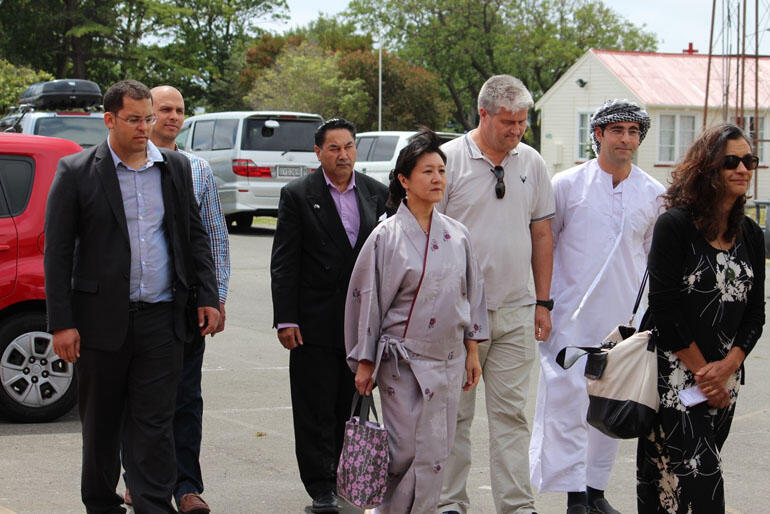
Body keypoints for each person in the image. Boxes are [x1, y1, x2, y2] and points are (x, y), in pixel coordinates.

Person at [44, 79, 220, 514]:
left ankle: (151, 504)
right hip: (99, 322)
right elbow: (58, 252)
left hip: (162, 318)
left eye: (149, 118)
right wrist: (61, 323)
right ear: (110, 119)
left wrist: (208, 295)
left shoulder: (175, 169)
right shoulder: (77, 172)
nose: (146, 127)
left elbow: (196, 238)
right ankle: (102, 503)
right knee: (101, 424)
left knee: (155, 424)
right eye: (135, 119)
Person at [528, 99, 664, 514]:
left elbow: (651, 259)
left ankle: (595, 490)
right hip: (569, 314)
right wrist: (543, 304)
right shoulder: (566, 185)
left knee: (613, 402)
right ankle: (573, 495)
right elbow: (544, 244)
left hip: (624, 320)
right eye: (617, 130)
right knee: (568, 402)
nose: (626, 139)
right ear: (599, 134)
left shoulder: (654, 194)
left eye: (633, 131)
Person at [344, 129, 488, 513]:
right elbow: (367, 301)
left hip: (447, 358)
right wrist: (365, 360)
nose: (437, 178)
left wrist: (472, 351)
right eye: (427, 171)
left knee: (437, 450)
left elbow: (472, 297)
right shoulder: (385, 237)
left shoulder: (458, 236)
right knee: (404, 446)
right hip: (400, 363)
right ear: (404, 180)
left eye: (441, 170)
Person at [438, 74, 555, 514]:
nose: (516, 130)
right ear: (483, 114)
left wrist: (543, 302)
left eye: (523, 122)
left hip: (517, 312)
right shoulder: (448, 160)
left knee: (511, 417)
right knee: (455, 415)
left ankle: (517, 506)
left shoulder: (532, 162)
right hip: (459, 316)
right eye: (508, 122)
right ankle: (450, 502)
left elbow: (541, 233)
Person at [637, 123, 765, 513]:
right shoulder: (675, 225)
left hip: (726, 379)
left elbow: (756, 313)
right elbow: (664, 308)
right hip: (676, 376)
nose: (742, 169)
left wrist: (727, 368)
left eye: (749, 160)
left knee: (674, 481)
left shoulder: (751, 234)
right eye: (731, 161)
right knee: (702, 477)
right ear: (708, 169)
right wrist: (703, 375)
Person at [121, 85, 230, 514]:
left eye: (179, 110)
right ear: (147, 113)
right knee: (140, 401)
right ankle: (139, 480)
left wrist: (216, 296)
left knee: (186, 397)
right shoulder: (123, 165)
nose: (172, 116)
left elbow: (214, 238)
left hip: (185, 307)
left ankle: (187, 486)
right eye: (164, 109)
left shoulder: (197, 170)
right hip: (138, 305)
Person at [270, 118, 389, 513]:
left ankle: (346, 479)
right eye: (334, 148)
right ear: (318, 152)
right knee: (315, 407)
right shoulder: (299, 195)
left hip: (362, 322)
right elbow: (284, 262)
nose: (343, 155)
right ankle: (321, 485)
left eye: (349, 147)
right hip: (314, 320)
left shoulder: (377, 193)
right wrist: (286, 318)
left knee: (350, 405)